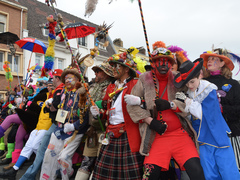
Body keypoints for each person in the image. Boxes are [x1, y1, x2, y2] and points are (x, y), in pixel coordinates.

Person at [126, 47, 205, 180]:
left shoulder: (178, 80)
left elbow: (188, 102)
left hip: (180, 135)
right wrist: (150, 121)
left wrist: (171, 104)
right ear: (153, 63)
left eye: (167, 61)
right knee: (149, 176)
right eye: (159, 60)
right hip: (156, 138)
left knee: (197, 172)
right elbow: (131, 106)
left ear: (171, 64)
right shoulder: (144, 79)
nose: (163, 64)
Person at [173, 59, 240, 179]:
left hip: (217, 136)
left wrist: (188, 102)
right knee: (209, 173)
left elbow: (205, 114)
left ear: (199, 75)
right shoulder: (190, 92)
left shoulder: (209, 90)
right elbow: (190, 116)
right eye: (187, 84)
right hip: (202, 139)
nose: (190, 86)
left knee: (228, 171)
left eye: (192, 82)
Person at [91, 47, 145, 180]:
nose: (113, 69)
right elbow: (108, 110)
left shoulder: (136, 84)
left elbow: (150, 104)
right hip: (110, 133)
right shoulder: (111, 86)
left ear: (127, 69)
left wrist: (139, 101)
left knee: (129, 176)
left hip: (128, 134)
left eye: (117, 66)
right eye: (113, 66)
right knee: (105, 175)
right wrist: (99, 113)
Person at [40, 68, 89, 180]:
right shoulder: (64, 92)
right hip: (60, 129)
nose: (67, 81)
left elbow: (85, 117)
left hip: (75, 131)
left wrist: (73, 126)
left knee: (63, 158)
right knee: (49, 154)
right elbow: (60, 110)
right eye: (66, 78)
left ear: (77, 80)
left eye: (70, 78)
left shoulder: (82, 94)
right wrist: (51, 102)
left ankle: (67, 176)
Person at [0, 78, 54, 179]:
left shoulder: (56, 95)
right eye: (48, 85)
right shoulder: (44, 95)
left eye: (50, 85)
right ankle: (14, 168)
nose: (48, 87)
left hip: (45, 125)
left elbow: (44, 109)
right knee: (25, 145)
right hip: (38, 125)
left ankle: (48, 169)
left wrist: (31, 104)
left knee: (36, 148)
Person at [20, 69, 64, 180]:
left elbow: (57, 107)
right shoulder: (60, 90)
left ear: (57, 78)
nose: (51, 83)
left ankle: (29, 176)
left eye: (53, 79)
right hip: (57, 123)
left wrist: (49, 108)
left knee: (44, 150)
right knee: (48, 151)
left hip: (57, 124)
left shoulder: (60, 90)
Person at [200, 49, 240, 171]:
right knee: (214, 170)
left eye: (213, 59)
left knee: (233, 169)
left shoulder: (233, 84)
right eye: (208, 59)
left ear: (223, 63)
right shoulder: (202, 84)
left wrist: (222, 108)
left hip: (231, 133)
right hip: (209, 135)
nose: (209, 61)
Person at [75, 62, 114, 180]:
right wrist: (81, 108)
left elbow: (110, 106)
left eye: (98, 71)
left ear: (107, 74)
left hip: (105, 130)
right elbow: (83, 108)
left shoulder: (112, 88)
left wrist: (98, 104)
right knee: (86, 161)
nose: (95, 74)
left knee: (100, 164)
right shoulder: (91, 88)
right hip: (92, 131)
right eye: (95, 71)